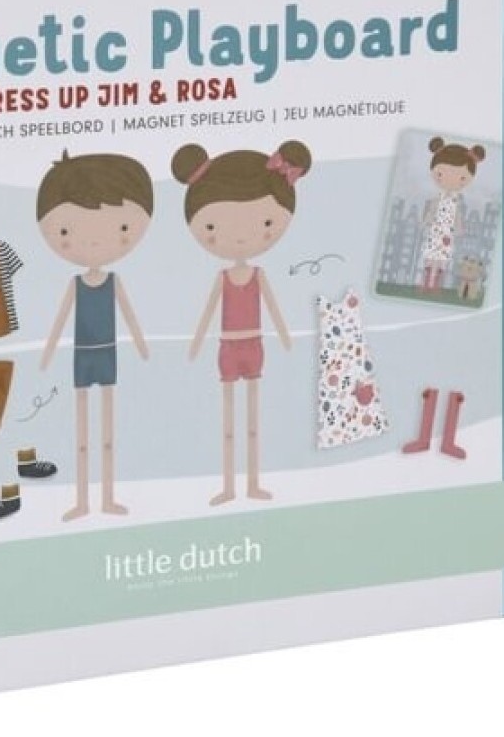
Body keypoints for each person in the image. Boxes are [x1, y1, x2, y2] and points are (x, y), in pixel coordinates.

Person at [173, 140, 310, 505]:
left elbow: (274, 309)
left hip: (254, 344)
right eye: (214, 226)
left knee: (252, 425)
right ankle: (229, 487)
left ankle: (252, 484)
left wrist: (284, 336)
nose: (238, 236)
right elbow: (208, 312)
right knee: (229, 426)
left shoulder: (258, 275)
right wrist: (198, 340)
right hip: (228, 347)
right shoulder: (222, 278)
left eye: (265, 223)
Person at [37, 152, 153, 520]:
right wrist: (48, 351)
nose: (93, 243)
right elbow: (60, 321)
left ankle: (107, 499)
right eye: (66, 232)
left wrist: (140, 343)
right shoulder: (75, 284)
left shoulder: (113, 282)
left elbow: (129, 315)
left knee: (107, 436)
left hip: (107, 353)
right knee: (83, 438)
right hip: (83, 355)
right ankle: (82, 502)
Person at [416, 138, 485, 292]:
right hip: (435, 232)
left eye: (462, 178)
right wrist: (425, 222)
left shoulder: (456, 201)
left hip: (447, 234)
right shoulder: (437, 198)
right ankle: (426, 283)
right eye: (441, 174)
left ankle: (435, 285)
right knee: (430, 259)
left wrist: (459, 229)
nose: (450, 180)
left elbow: (457, 216)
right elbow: (432, 211)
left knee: (441, 260)